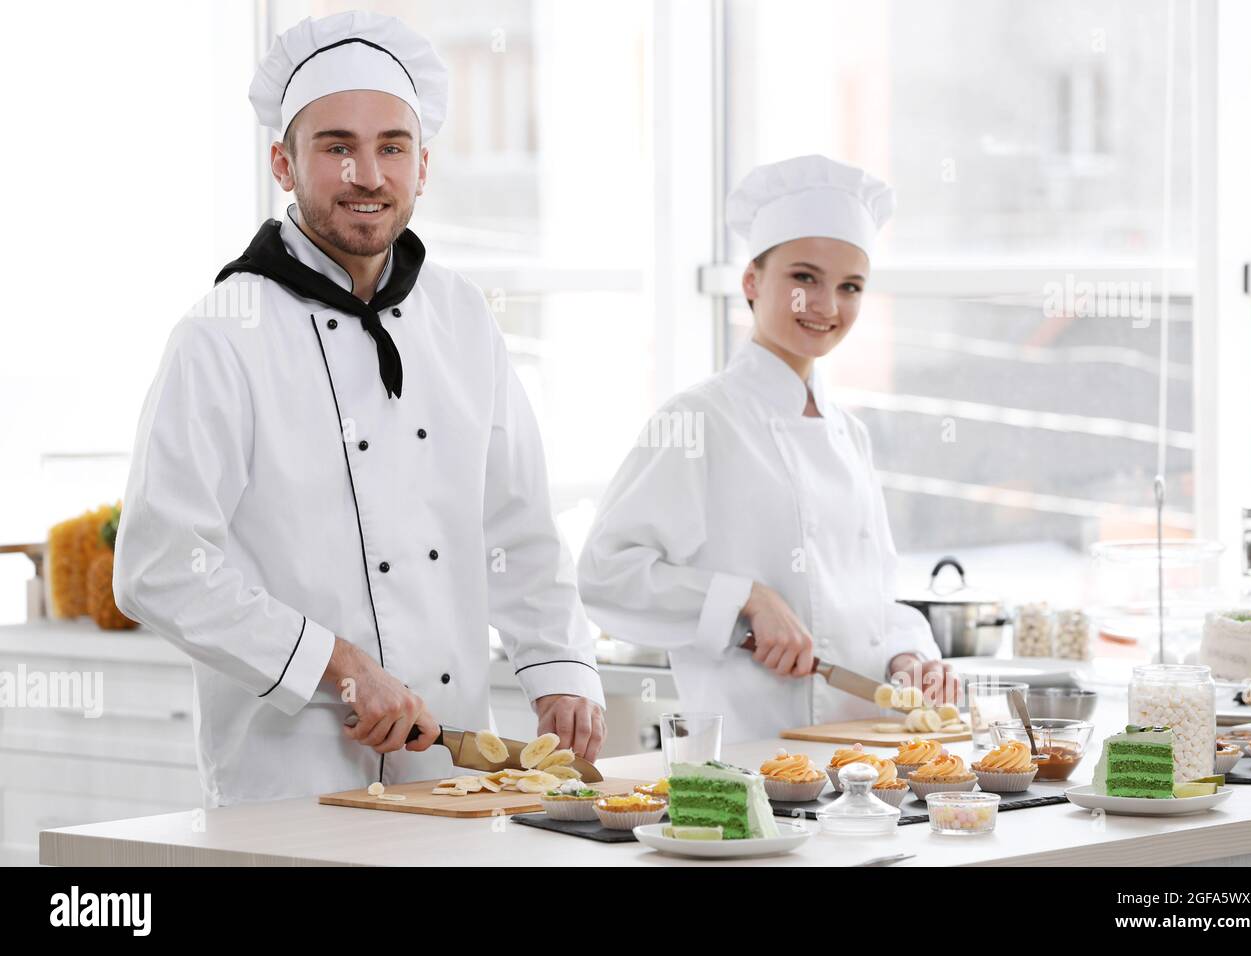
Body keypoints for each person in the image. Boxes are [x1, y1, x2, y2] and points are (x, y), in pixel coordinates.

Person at [114, 11, 605, 806]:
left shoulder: (464, 316)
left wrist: (559, 672)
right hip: (289, 785)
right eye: (337, 147)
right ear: (284, 162)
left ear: (423, 166)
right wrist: (333, 663)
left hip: (453, 778)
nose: (367, 175)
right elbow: (160, 566)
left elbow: (516, 525)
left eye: (391, 148)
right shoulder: (222, 335)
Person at [578, 154, 956, 743]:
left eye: (850, 286)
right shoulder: (698, 420)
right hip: (752, 759)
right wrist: (744, 601)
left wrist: (907, 656)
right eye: (804, 278)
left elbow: (872, 597)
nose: (827, 305)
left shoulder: (848, 433)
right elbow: (607, 573)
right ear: (752, 282)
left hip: (869, 759)